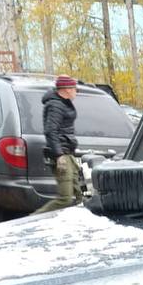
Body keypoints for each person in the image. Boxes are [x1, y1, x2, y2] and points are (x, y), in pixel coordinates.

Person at [33, 75, 81, 214]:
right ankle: (35, 219)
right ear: (66, 89)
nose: (76, 91)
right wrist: (59, 155)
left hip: (68, 153)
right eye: (74, 88)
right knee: (65, 199)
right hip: (62, 156)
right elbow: (50, 131)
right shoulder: (55, 105)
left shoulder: (64, 102)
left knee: (81, 195)